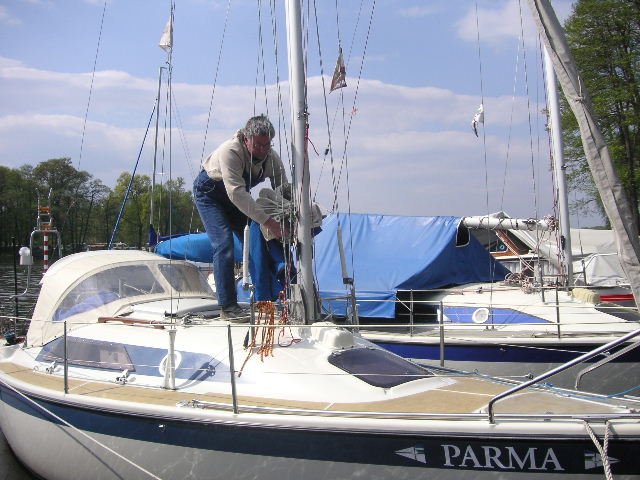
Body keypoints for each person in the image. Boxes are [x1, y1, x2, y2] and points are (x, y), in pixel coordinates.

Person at [193, 115, 288, 321]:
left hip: (237, 199)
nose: (263, 150)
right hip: (211, 194)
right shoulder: (231, 151)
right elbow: (236, 193)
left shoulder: (271, 158)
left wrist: (289, 214)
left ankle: (267, 299)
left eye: (267, 145)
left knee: (258, 242)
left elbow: (282, 189)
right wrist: (269, 222)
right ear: (246, 139)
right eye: (258, 145)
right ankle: (227, 306)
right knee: (224, 245)